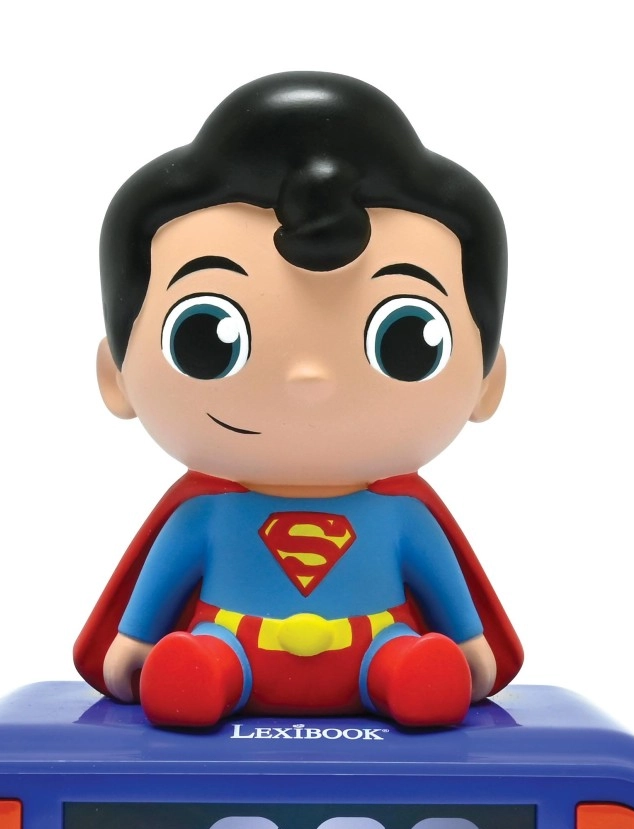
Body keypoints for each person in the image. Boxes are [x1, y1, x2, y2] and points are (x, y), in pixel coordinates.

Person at [74, 72, 522, 727]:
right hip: (233, 641)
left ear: (488, 381)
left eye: (408, 339)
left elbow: (448, 596)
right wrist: (137, 644)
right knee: (202, 661)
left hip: (374, 643)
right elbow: (160, 587)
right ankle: (197, 674)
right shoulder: (205, 519)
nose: (309, 379)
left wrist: (468, 645)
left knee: (408, 662)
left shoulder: (404, 521)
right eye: (206, 335)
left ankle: (412, 677)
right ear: (116, 376)